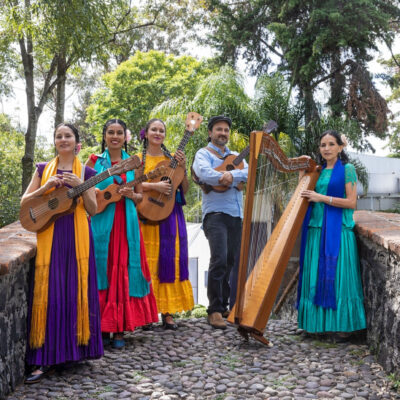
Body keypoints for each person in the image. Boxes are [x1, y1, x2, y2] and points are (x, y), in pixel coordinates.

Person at [21, 123, 103, 384]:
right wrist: (45, 188)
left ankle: (73, 351)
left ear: (76, 141)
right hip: (50, 235)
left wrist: (81, 184)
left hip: (77, 235)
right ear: (54, 141)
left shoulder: (87, 172)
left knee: (74, 292)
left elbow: (93, 209)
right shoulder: (43, 169)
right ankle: (44, 358)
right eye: (59, 136)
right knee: (51, 293)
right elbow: (24, 202)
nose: (63, 139)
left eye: (68, 136)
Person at [87, 119, 158, 348]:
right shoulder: (94, 162)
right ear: (104, 136)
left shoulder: (134, 162)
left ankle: (119, 329)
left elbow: (140, 198)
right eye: (110, 132)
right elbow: (85, 193)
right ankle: (100, 326)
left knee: (123, 268)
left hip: (125, 223)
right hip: (101, 221)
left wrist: (131, 195)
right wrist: (99, 192)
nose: (115, 136)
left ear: (125, 137)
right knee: (101, 268)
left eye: (119, 133)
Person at [298, 130, 366, 341]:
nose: (326, 148)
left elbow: (351, 203)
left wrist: (322, 198)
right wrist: (302, 175)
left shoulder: (348, 169)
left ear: (340, 147)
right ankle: (316, 325)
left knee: (339, 278)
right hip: (316, 229)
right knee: (315, 278)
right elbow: (303, 195)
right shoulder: (316, 171)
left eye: (331, 144)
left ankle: (343, 327)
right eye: (323, 145)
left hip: (339, 231)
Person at [192, 115, 248, 330]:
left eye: (226, 130)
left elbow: (249, 172)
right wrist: (224, 177)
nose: (222, 133)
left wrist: (231, 176)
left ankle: (225, 306)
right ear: (210, 132)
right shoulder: (203, 153)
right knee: (219, 259)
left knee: (231, 261)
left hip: (236, 214)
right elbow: (203, 173)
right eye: (218, 129)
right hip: (214, 214)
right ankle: (214, 310)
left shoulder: (235, 156)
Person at [138, 118, 194, 329]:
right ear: (146, 133)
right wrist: (154, 187)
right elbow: (130, 185)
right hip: (145, 213)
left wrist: (183, 168)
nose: (158, 133)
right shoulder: (138, 159)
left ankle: (167, 312)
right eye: (154, 129)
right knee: (147, 262)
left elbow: (184, 189)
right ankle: (145, 313)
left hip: (170, 214)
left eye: (161, 130)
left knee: (168, 260)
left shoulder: (172, 159)